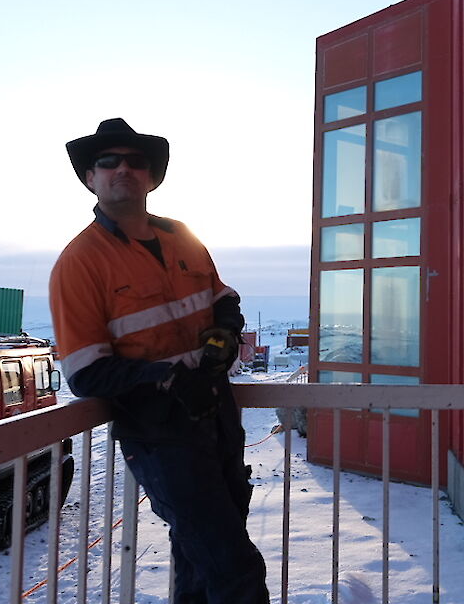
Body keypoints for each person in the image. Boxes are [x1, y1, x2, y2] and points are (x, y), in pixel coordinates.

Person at [49, 118, 267, 604]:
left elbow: (222, 298)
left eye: (136, 161)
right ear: (90, 178)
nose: (123, 168)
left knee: (199, 556)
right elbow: (85, 371)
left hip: (218, 416)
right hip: (162, 436)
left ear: (152, 176)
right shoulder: (79, 262)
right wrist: (168, 380)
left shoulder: (182, 238)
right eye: (108, 161)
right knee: (235, 568)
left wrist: (224, 338)